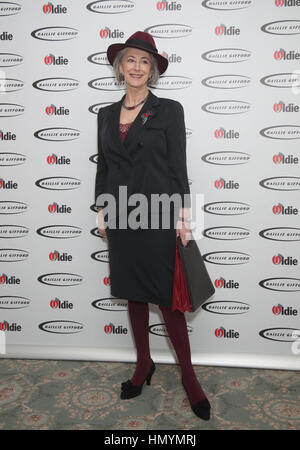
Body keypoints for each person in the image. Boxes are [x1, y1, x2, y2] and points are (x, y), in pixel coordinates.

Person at [94, 31, 211, 420]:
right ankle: (143, 364)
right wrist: (102, 209)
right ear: (120, 66)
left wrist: (183, 217)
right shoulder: (106, 115)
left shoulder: (168, 110)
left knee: (168, 301)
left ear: (154, 69)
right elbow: (105, 165)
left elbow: (179, 166)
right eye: (131, 60)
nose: (137, 67)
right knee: (134, 295)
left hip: (159, 213)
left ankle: (190, 379)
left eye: (145, 61)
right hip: (122, 217)